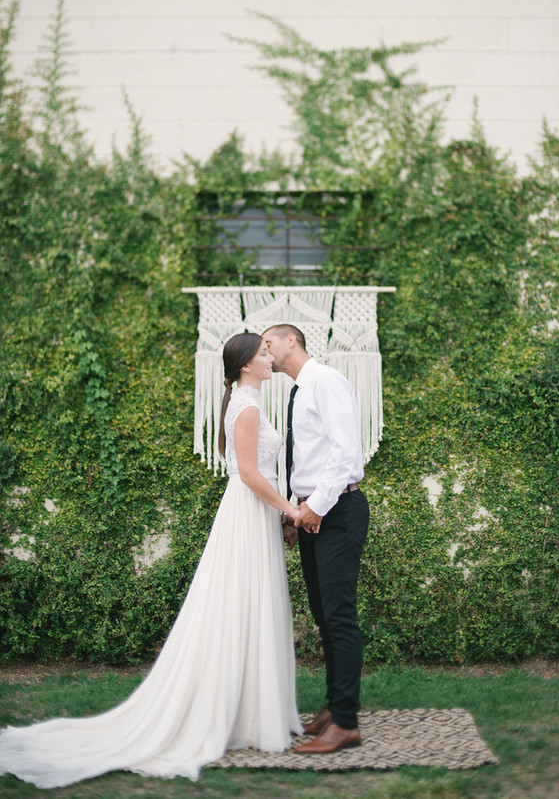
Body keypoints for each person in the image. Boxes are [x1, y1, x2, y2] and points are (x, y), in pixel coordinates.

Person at [0, 333, 303, 789]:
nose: (269, 357)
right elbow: (248, 474)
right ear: (245, 365)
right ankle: (241, 714)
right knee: (239, 603)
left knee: (245, 606)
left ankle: (248, 712)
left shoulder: (245, 401)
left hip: (251, 514)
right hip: (249, 512)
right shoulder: (250, 405)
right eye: (262, 353)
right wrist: (290, 509)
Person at [263, 324, 370, 755]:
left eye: (268, 342)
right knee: (324, 616)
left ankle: (345, 723)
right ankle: (333, 705)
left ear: (292, 341)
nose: (264, 350)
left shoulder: (324, 380)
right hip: (312, 514)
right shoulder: (298, 391)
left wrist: (315, 507)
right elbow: (308, 458)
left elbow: (346, 452)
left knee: (340, 617)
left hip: (337, 511)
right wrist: (295, 510)